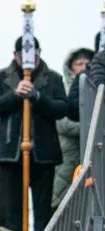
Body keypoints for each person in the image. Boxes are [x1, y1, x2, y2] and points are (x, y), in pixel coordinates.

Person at [0, 37, 68, 231]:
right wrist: (15, 95)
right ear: (14, 55)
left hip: (43, 153)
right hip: (10, 152)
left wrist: (38, 97)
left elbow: (62, 108)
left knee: (42, 209)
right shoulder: (0, 77)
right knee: (12, 210)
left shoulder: (53, 78)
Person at [53, 48, 93, 211]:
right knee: (62, 202)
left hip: (91, 154)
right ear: (70, 67)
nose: (83, 67)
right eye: (79, 63)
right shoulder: (62, 88)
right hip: (67, 155)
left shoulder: (96, 89)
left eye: (87, 63)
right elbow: (62, 123)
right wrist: (91, 128)